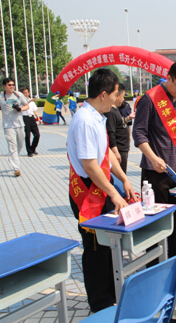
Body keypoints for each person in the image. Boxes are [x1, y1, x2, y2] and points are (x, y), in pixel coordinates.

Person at [67, 69, 136, 311]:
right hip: (89, 192)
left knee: (107, 245)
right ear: (104, 94)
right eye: (116, 94)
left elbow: (106, 155)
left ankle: (111, 294)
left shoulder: (98, 116)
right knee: (95, 248)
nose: (119, 99)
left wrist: (124, 180)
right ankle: (99, 303)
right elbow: (91, 166)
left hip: (101, 187)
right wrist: (114, 193)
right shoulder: (85, 121)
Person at [133, 61, 176, 259]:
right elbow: (138, 134)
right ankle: (154, 266)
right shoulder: (150, 99)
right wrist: (153, 158)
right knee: (155, 223)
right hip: (154, 172)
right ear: (169, 78)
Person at [0, 78, 31, 177]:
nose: (12, 86)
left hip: (20, 124)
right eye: (9, 85)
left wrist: (21, 109)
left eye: (13, 85)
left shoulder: (18, 95)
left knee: (20, 145)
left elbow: (27, 105)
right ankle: (16, 168)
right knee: (12, 146)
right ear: (4, 86)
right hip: (8, 126)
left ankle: (12, 157)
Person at [105, 84, 130, 174]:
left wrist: (128, 119)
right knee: (119, 177)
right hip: (118, 150)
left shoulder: (115, 111)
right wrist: (115, 151)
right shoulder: (111, 112)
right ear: (117, 96)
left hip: (122, 149)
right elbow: (111, 132)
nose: (123, 99)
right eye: (123, 96)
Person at [20, 87, 41, 157]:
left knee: (37, 135)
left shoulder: (32, 102)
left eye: (26, 92)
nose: (25, 94)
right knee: (27, 136)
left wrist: (38, 117)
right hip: (25, 118)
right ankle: (29, 151)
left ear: (28, 93)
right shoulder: (20, 101)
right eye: (24, 93)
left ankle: (33, 148)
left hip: (32, 118)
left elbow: (34, 110)